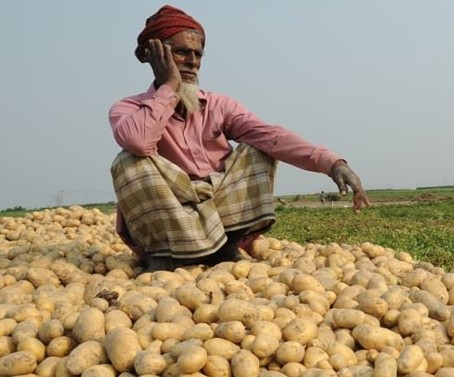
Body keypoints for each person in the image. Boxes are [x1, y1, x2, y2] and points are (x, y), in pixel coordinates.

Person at [109, 5, 370, 272]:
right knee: (128, 161)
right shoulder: (128, 109)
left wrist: (332, 163)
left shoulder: (219, 105)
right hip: (171, 211)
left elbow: (271, 136)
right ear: (157, 57)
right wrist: (168, 88)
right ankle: (164, 255)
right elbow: (139, 141)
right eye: (181, 52)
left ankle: (224, 249)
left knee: (258, 149)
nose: (192, 62)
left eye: (197, 55)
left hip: (217, 206)